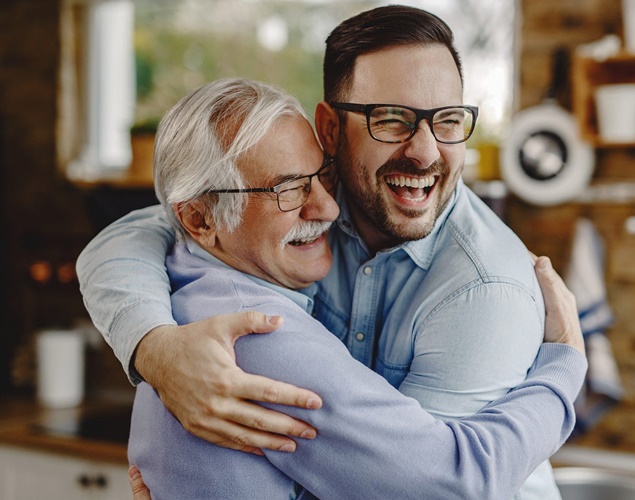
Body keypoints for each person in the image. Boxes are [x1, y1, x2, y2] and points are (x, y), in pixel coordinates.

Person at [77, 6, 587, 498]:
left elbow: (440, 487)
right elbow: (132, 234)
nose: (427, 152)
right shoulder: (250, 329)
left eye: (449, 119)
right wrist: (155, 347)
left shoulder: (484, 287)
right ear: (331, 130)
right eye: (391, 119)